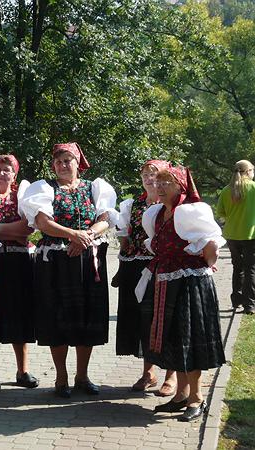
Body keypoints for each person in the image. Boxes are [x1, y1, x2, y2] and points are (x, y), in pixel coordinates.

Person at [19, 142, 116, 398]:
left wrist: (85, 237)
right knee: (58, 318)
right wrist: (73, 235)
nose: (63, 165)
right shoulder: (44, 188)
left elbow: (105, 219)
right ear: (53, 166)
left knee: (87, 317)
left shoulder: (94, 187)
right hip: (56, 262)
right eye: (58, 161)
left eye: (68, 160)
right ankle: (61, 377)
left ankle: (82, 376)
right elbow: (43, 222)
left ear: (78, 163)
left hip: (88, 258)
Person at [137, 166, 225, 422]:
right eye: (159, 181)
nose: (160, 186)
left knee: (190, 339)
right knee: (176, 340)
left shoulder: (189, 212)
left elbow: (211, 247)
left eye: (168, 182)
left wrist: (205, 262)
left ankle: (197, 399)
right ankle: (181, 396)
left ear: (181, 186)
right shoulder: (156, 213)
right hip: (166, 282)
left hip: (190, 285)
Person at [115, 160, 177, 396]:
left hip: (163, 268)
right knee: (143, 320)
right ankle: (148, 372)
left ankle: (171, 375)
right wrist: (122, 267)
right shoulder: (133, 205)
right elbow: (125, 238)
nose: (150, 179)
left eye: (155, 175)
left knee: (166, 318)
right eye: (145, 175)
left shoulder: (172, 204)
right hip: (135, 267)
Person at [0, 154, 38, 391]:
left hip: (19, 262)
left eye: (7, 170)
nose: (1, 173)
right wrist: (9, 231)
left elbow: (26, 229)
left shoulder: (21, 197)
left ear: (14, 176)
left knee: (20, 314)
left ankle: (22, 370)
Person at [217, 159, 255, 315]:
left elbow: (220, 213)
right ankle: (249, 304)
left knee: (237, 267)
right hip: (250, 234)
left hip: (232, 235)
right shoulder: (253, 188)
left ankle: (236, 300)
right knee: (250, 269)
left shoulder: (227, 190)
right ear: (248, 171)